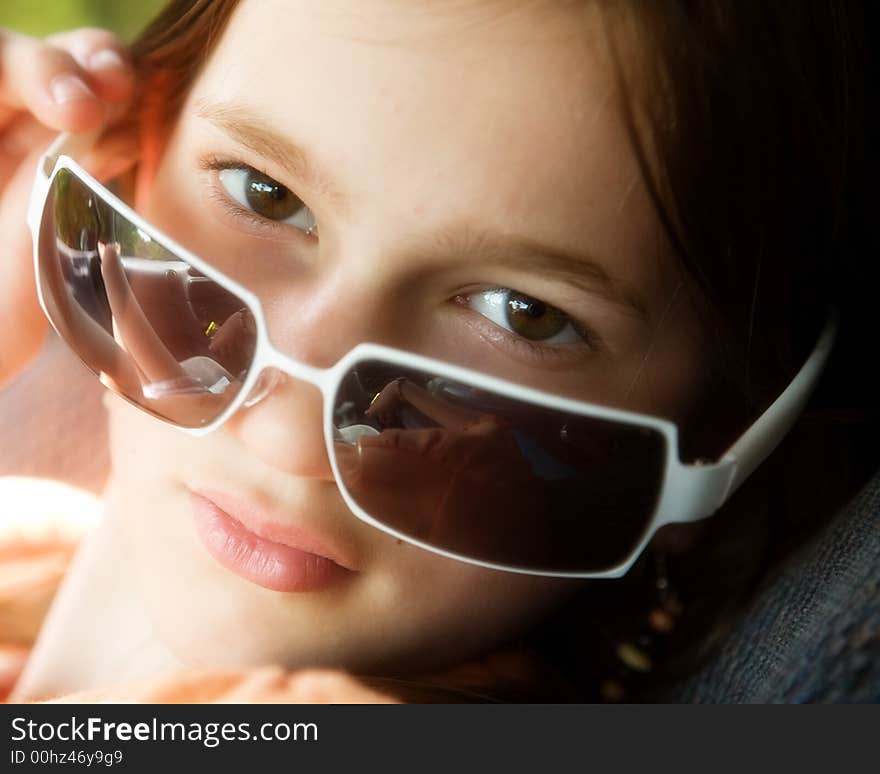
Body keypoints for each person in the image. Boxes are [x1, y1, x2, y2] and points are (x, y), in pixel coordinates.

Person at [0, 0, 876, 703]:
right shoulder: (34, 553)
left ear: (725, 434)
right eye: (264, 194)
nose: (289, 441)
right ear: (117, 153)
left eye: (525, 314)